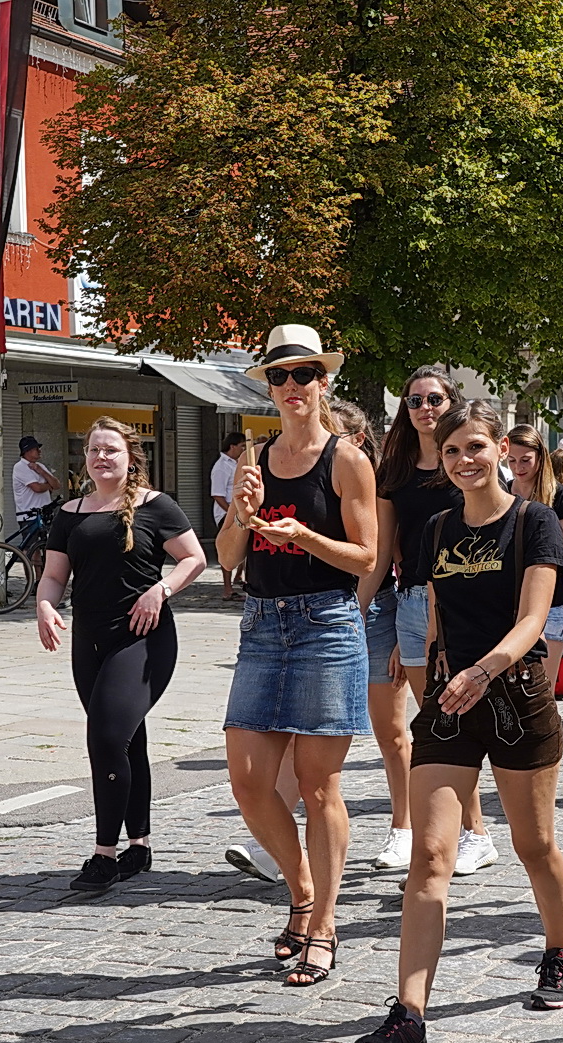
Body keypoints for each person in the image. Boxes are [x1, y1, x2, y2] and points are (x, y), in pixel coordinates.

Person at [351, 400, 563, 1043]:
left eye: (475, 446)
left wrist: (483, 671)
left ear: (501, 449)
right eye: (452, 452)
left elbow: (534, 618)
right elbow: (432, 610)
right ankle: (408, 1015)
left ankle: (560, 949)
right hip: (451, 702)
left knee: (534, 845)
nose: (464, 460)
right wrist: (422, 662)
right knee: (430, 855)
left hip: (516, 696)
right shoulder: (440, 527)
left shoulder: (533, 522)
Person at [215, 324, 376, 987]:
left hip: (326, 623)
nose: (290, 387)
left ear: (323, 382)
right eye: (279, 377)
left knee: (318, 785)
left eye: (302, 374)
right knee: (248, 778)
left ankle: (325, 922)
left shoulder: (346, 459)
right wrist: (239, 515)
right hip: (261, 622)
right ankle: (302, 889)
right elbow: (228, 559)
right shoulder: (254, 456)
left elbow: (366, 557)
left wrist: (305, 534)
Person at [36, 418, 207, 892]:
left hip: (143, 638)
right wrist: (45, 606)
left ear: (131, 457)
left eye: (110, 449)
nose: (100, 457)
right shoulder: (68, 513)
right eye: (93, 450)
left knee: (106, 738)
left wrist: (161, 590)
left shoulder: (157, 507)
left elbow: (194, 559)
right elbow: (53, 576)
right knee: (129, 742)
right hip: (89, 642)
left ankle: (104, 856)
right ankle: (140, 846)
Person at [358, 367, 498, 878]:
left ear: (451, 401)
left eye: (434, 398)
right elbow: (380, 556)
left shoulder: (466, 463)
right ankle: (442, 832)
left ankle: (476, 834)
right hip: (412, 603)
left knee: (451, 722)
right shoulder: (394, 469)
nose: (424, 407)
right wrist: (359, 612)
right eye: (414, 399)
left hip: (459, 601)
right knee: (433, 726)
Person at [505, 426, 563, 688]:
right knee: (509, 691)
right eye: (512, 461)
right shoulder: (504, 493)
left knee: (541, 692)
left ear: (540, 457)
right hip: (509, 604)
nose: (519, 467)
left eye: (525, 460)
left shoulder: (561, 496)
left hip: (552, 605)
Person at [210, 432, 249, 599]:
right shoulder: (221, 466)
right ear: (232, 446)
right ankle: (227, 589)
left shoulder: (237, 463)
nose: (243, 449)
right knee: (228, 548)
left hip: (240, 511)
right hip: (227, 514)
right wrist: (230, 513)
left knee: (245, 547)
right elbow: (217, 495)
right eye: (241, 446)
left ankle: (239, 577)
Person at [12, 435, 61, 527]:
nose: (39, 451)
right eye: (36, 449)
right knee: (33, 541)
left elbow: (57, 485)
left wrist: (41, 471)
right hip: (29, 517)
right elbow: (37, 488)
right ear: (28, 451)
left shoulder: (40, 466)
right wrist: (49, 485)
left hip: (45, 514)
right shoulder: (20, 467)